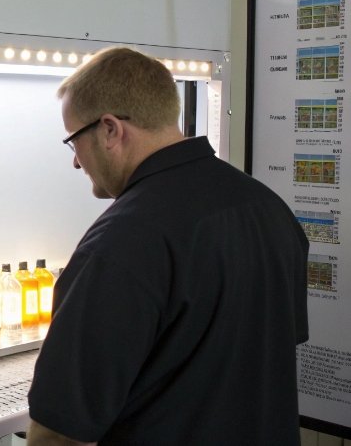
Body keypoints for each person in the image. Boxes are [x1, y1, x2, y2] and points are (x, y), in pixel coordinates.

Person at [27, 47, 309, 445]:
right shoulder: (267, 208)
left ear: (110, 129)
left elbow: (60, 432)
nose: (76, 162)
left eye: (74, 142)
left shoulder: (120, 244)